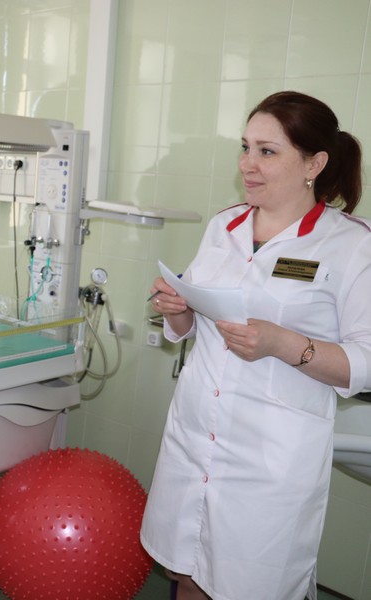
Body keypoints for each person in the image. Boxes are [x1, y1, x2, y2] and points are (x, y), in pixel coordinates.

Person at [140, 90, 371, 600]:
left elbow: (366, 361)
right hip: (195, 434)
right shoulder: (224, 225)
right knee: (187, 572)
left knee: (253, 584)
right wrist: (177, 310)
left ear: (314, 163)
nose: (248, 164)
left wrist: (284, 343)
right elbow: (196, 321)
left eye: (267, 151)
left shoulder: (352, 245)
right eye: (245, 148)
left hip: (272, 456)